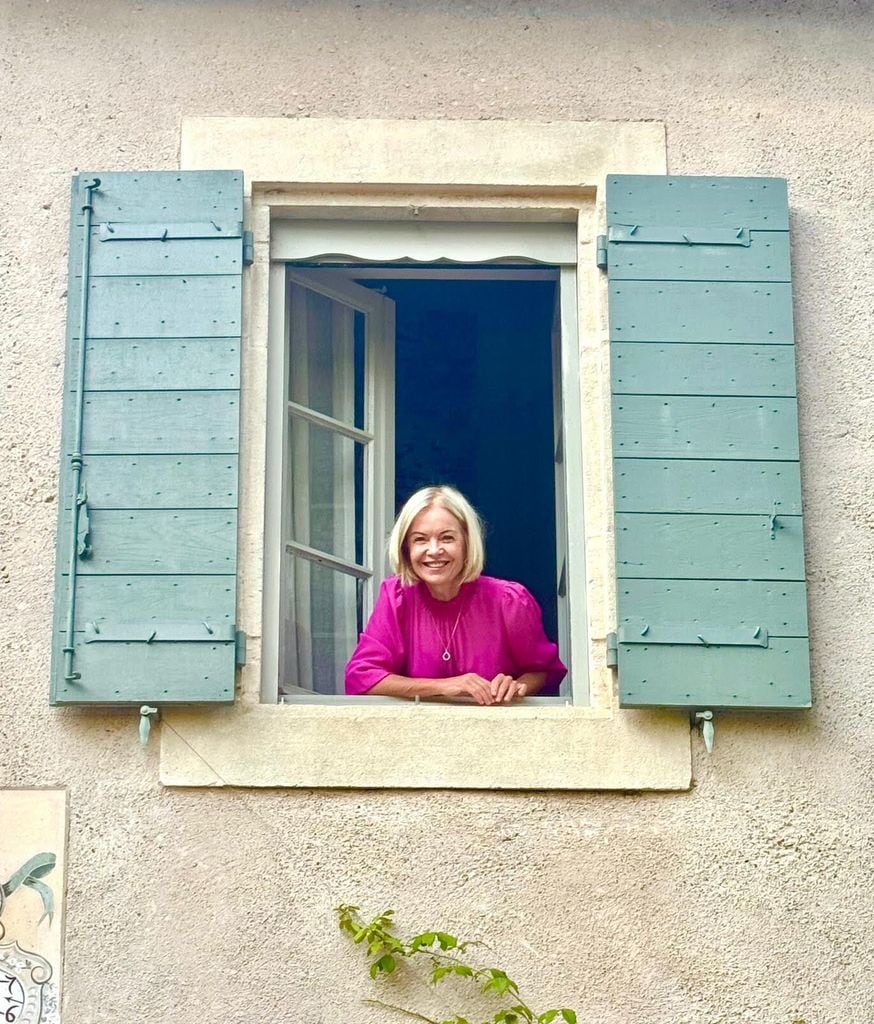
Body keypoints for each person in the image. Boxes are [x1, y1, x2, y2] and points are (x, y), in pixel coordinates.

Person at [345, 485, 566, 703]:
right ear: (406, 548)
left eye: (447, 538)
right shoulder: (397, 596)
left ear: (467, 543)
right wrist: (445, 686)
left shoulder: (508, 600)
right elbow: (361, 677)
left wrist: (516, 687)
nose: (434, 551)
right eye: (420, 539)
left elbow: (543, 672)